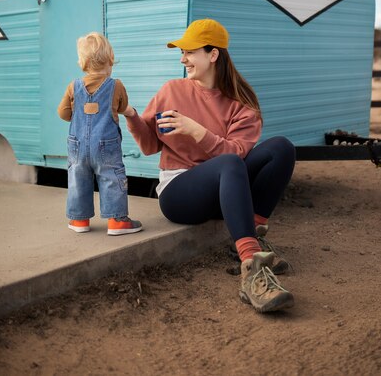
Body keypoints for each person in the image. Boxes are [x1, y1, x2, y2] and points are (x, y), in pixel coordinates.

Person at [123, 18, 295, 313]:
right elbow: (151, 145)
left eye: (190, 51)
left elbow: (237, 153)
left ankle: (248, 236)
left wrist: (195, 130)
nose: (183, 58)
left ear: (213, 54)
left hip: (226, 185)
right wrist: (130, 114)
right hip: (180, 193)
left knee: (281, 148)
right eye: (182, 52)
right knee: (227, 163)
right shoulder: (172, 90)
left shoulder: (241, 104)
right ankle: (252, 266)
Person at [58, 32, 142, 236]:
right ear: (110, 59)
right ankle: (116, 221)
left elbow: (63, 114)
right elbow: (122, 108)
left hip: (77, 146)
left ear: (82, 62)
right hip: (106, 145)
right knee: (111, 177)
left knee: (78, 178)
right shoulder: (116, 86)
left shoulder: (73, 86)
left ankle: (79, 220)